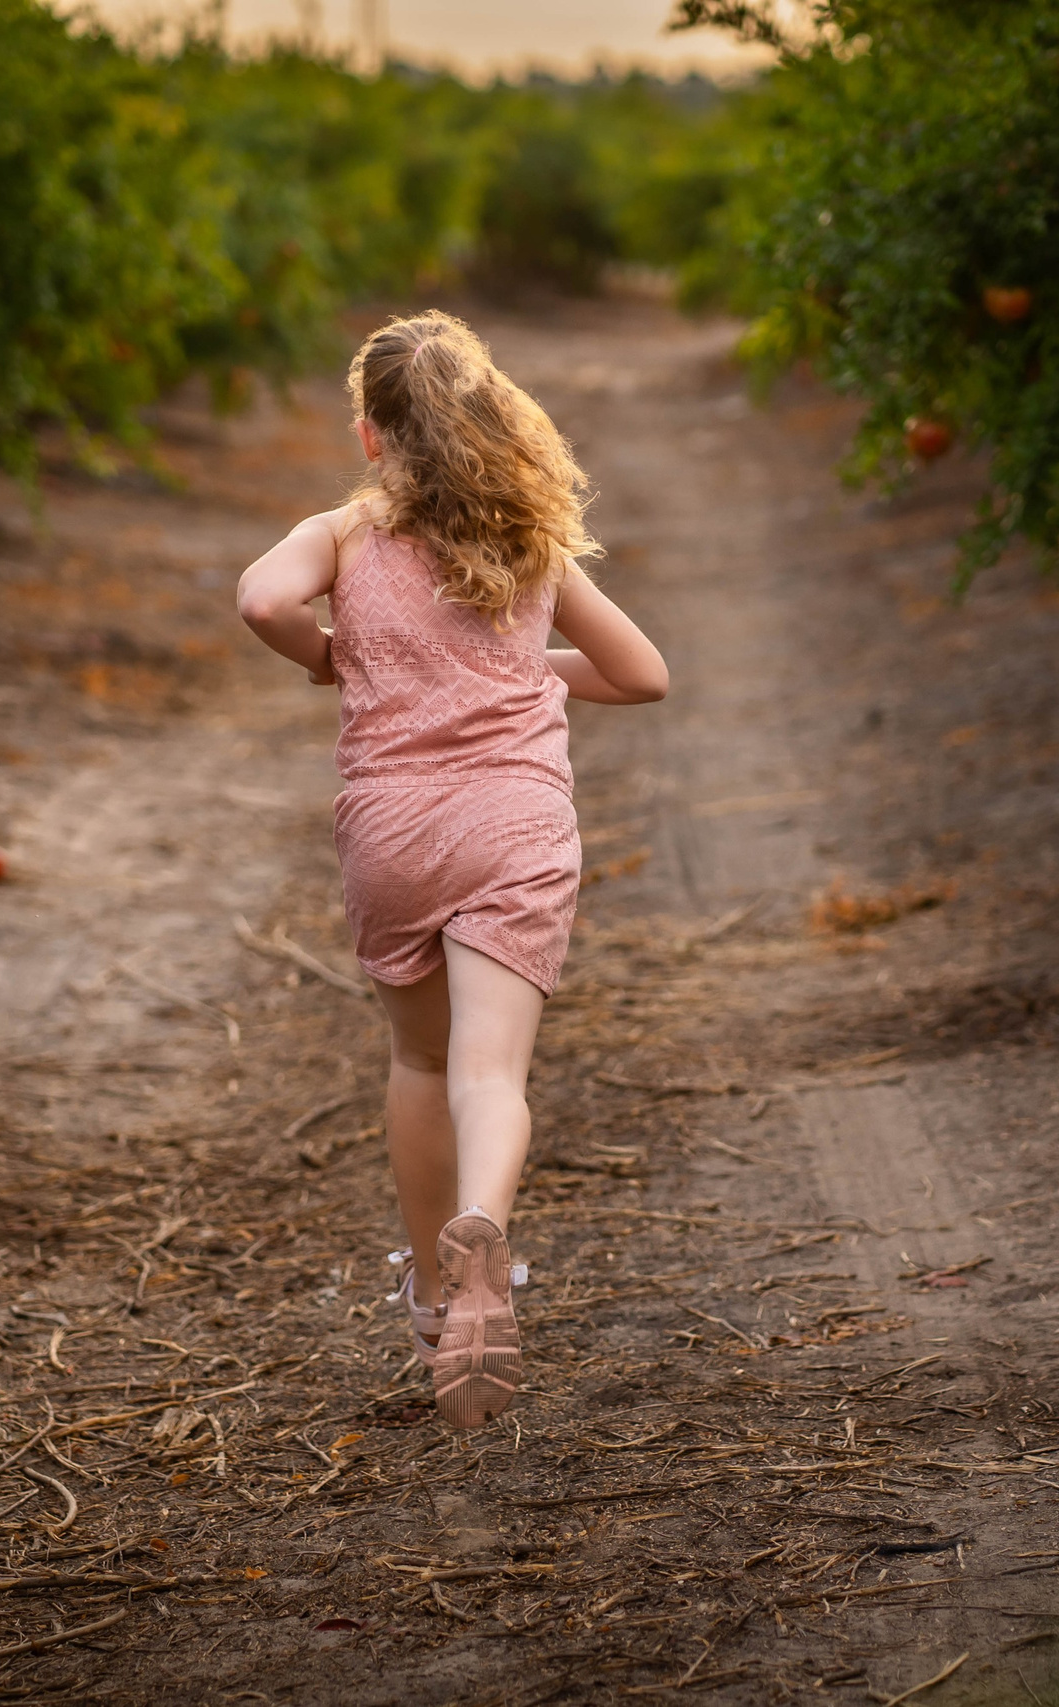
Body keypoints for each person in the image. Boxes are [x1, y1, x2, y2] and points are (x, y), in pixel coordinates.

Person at [235, 312, 669, 1429]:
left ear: (372, 437)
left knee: (420, 1065)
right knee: (491, 1078)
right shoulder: (530, 544)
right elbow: (642, 674)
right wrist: (520, 674)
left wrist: (332, 656)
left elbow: (259, 601)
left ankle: (435, 1298)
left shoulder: (339, 535)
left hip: (392, 833)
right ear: (488, 421)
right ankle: (486, 1231)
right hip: (513, 827)